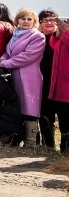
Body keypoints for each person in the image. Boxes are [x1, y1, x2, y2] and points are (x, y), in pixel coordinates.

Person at [0, 8, 45, 147]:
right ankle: (16, 139)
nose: (26, 21)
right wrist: (2, 59)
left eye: (29, 19)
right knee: (17, 107)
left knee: (30, 108)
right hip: (14, 74)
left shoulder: (37, 36)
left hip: (28, 76)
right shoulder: (15, 35)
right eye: (23, 18)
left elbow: (28, 56)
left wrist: (6, 63)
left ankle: (31, 142)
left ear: (34, 22)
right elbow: (7, 51)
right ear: (17, 20)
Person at [47, 16, 69, 152]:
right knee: (63, 119)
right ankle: (64, 148)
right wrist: (58, 34)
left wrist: (66, 32)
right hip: (61, 84)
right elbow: (55, 46)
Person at [38, 8, 59, 148]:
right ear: (40, 22)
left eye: (53, 19)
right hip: (43, 81)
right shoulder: (37, 39)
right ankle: (48, 145)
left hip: (58, 81)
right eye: (46, 20)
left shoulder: (60, 38)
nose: (50, 22)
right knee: (45, 113)